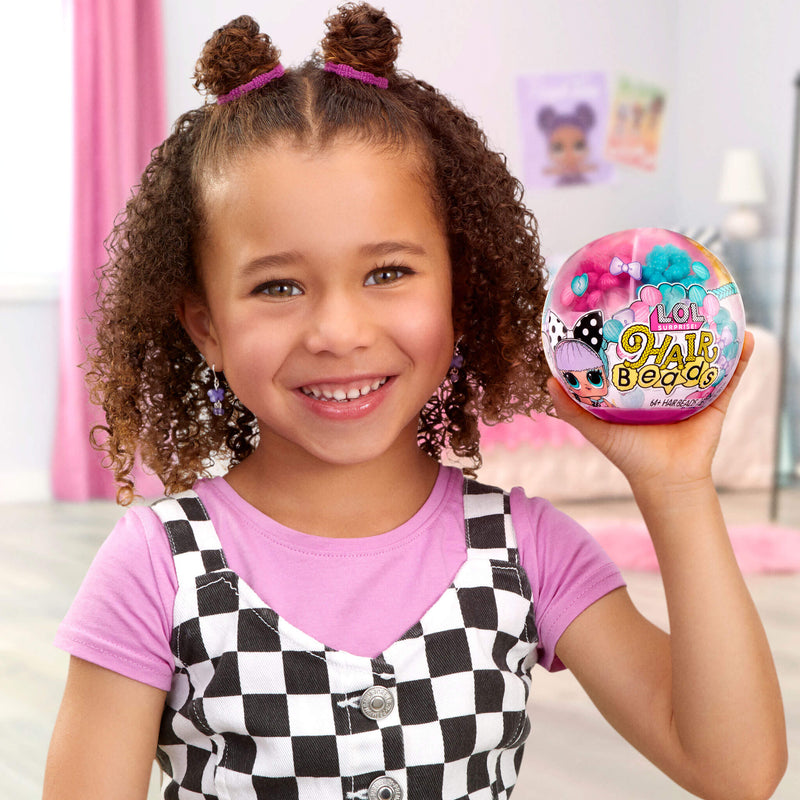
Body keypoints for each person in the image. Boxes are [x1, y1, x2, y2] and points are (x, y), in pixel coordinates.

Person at [44, 6, 786, 800]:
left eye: (388, 272)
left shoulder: (529, 550)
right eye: (278, 286)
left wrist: (675, 489)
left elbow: (734, 771)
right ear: (206, 327)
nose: (337, 331)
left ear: (460, 291)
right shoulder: (155, 568)